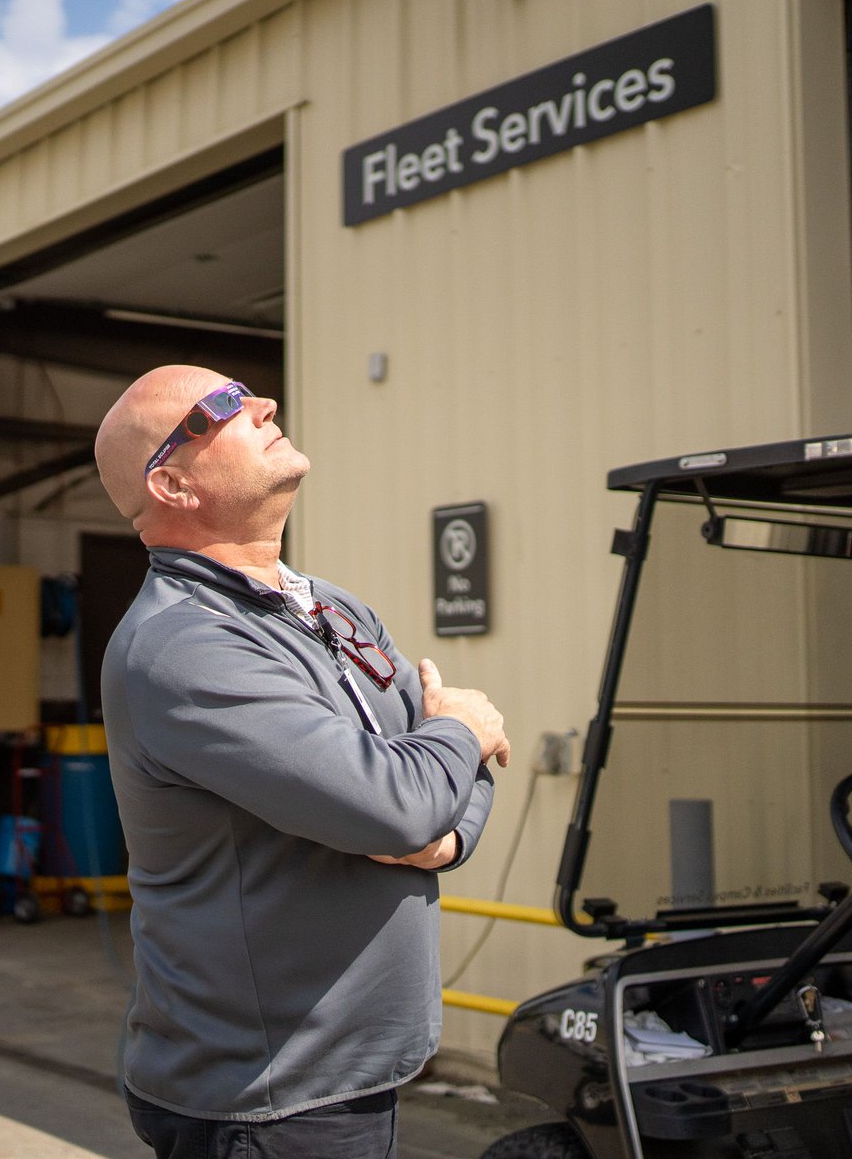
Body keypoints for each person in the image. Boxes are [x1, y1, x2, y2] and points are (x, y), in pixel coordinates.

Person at [94, 364, 511, 1159]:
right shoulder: (184, 646)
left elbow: (434, 786)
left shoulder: (334, 607)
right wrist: (454, 738)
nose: (262, 405)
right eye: (222, 407)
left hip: (348, 1076)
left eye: (246, 391)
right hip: (268, 1100)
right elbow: (411, 790)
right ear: (174, 485)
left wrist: (443, 831)